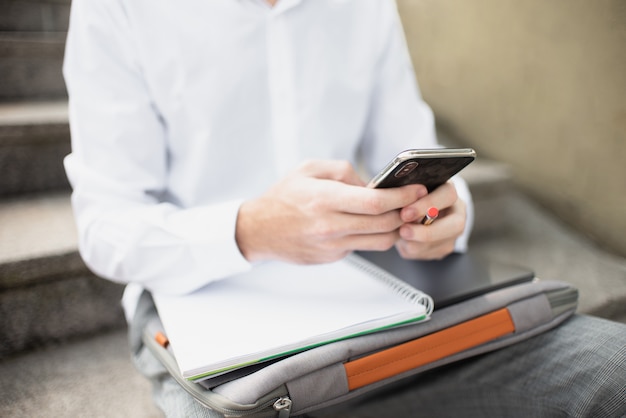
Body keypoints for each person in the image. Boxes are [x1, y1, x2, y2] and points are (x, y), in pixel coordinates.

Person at [63, 0, 625, 417]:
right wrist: (249, 229)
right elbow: (105, 226)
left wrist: (442, 219)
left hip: (372, 297)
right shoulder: (120, 9)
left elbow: (417, 160)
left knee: (613, 369)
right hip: (199, 308)